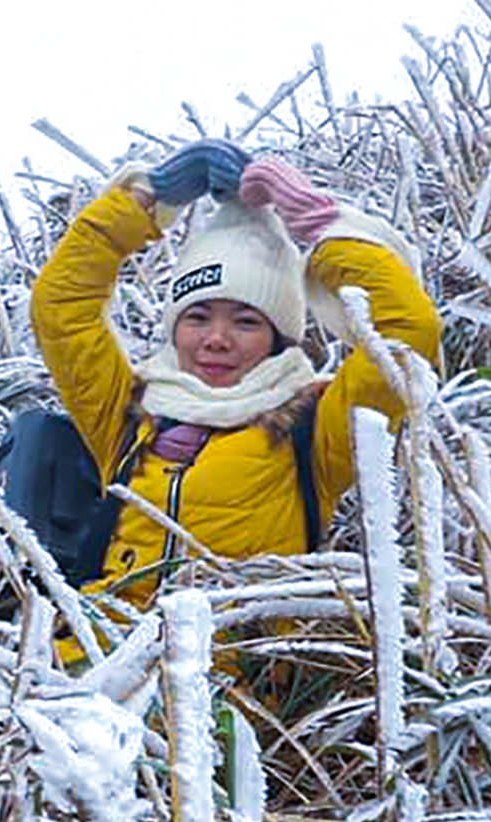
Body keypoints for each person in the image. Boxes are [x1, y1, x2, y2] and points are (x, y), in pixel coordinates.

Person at [28, 141, 440, 611]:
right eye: (198, 317)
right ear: (175, 327)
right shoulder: (127, 415)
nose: (217, 339)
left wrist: (321, 224)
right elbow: (60, 309)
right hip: (98, 657)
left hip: (235, 672)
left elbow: (410, 330)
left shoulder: (317, 427)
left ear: (278, 338)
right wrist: (149, 198)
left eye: (246, 321)